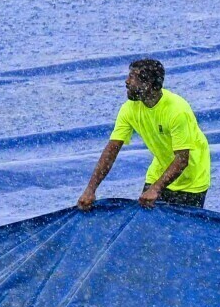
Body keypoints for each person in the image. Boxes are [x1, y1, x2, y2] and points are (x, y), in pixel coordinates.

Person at [76, 58, 212, 211]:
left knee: (182, 232)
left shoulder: (177, 111)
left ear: (148, 84)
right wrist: (90, 190)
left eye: (132, 77)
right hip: (159, 172)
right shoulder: (129, 109)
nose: (126, 81)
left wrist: (156, 189)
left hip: (192, 181)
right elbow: (112, 150)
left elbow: (182, 160)